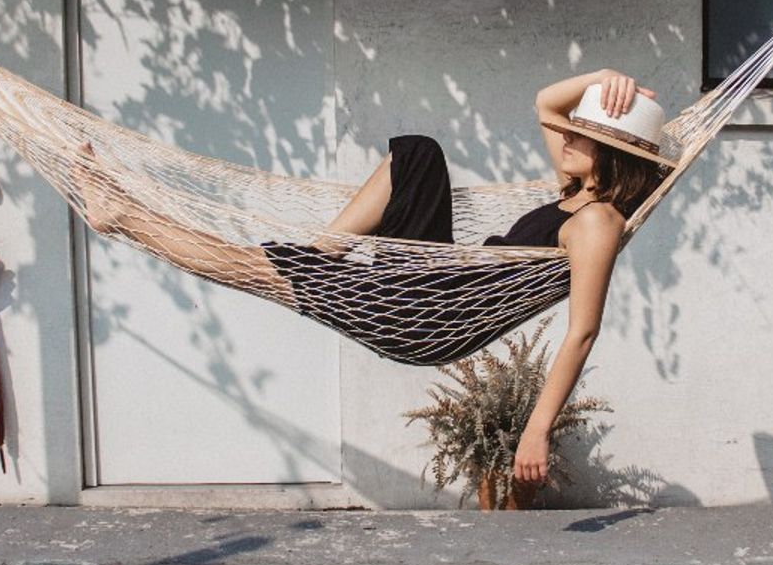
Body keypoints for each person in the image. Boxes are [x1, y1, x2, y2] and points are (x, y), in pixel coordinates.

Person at [77, 68, 673, 489]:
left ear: (612, 156)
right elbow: (547, 102)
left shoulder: (598, 222)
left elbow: (582, 333)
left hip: (432, 315)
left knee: (253, 267)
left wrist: (536, 430)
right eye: (576, 129)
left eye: (584, 134)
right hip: (435, 283)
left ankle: (123, 215)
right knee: (417, 154)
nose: (566, 134)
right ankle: (322, 254)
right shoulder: (574, 193)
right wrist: (602, 77)